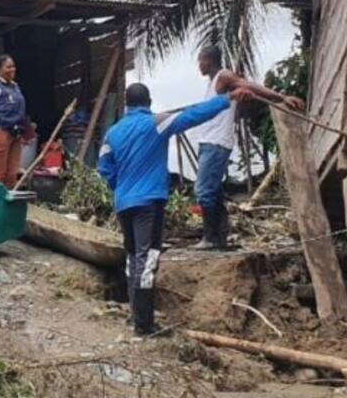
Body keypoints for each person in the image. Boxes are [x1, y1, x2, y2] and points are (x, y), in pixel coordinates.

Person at [98, 82, 254, 337]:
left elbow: (104, 167)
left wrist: (121, 186)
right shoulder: (156, 123)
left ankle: (135, 316)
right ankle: (144, 326)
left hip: (124, 204)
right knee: (146, 261)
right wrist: (227, 99)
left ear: (127, 104)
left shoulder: (112, 133)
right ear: (148, 103)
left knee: (132, 259)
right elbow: (193, 114)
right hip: (149, 203)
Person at [193, 46, 304, 250]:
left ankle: (210, 237)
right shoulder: (212, 84)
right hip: (208, 141)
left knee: (203, 190)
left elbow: (249, 86)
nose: (198, 65)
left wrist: (281, 97)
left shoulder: (223, 76)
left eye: (200, 60)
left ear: (208, 60)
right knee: (214, 191)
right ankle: (220, 238)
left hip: (216, 143)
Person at [0, 54, 27, 189]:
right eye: (8, 67)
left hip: (16, 132)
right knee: (0, 172)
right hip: (1, 131)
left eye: (13, 66)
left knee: (12, 173)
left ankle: (7, 204)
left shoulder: (15, 87)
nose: (12, 69)